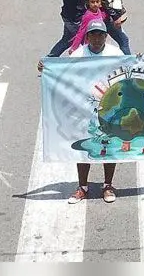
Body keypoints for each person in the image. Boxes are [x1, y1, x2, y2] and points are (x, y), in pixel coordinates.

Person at [37, 18, 123, 204]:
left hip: (109, 109)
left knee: (108, 146)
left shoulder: (115, 53)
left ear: (106, 36)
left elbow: (126, 73)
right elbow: (63, 74)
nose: (97, 38)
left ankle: (108, 185)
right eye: (93, 34)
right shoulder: (78, 54)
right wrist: (47, 69)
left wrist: (138, 60)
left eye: (100, 34)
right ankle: (82, 187)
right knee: (84, 146)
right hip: (83, 109)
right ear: (87, 36)